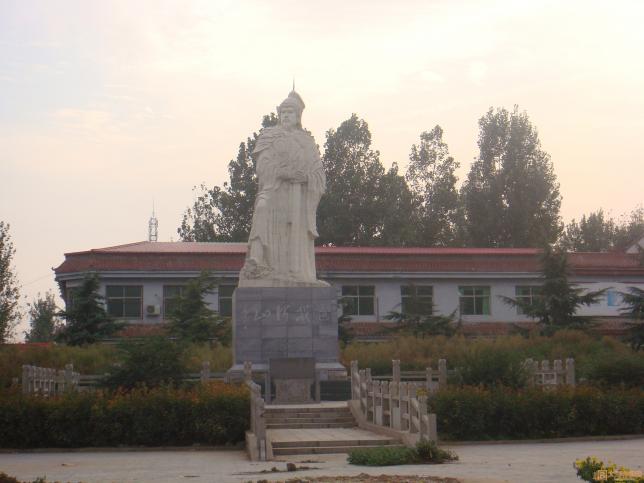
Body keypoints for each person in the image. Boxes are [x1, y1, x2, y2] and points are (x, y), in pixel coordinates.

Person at [239, 90, 328, 287]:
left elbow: (319, 175)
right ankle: (258, 261)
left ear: (298, 116)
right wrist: (283, 172)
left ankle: (298, 274)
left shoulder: (307, 142)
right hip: (274, 189)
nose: (286, 116)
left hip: (298, 197)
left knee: (296, 231)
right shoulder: (268, 137)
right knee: (262, 207)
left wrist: (305, 178)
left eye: (290, 112)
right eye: (283, 112)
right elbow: (263, 167)